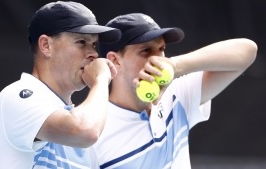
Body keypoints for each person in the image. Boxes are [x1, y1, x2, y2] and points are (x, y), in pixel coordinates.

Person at [88, 13, 257, 169]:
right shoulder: (93, 129)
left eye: (161, 49)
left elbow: (247, 50)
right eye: (146, 50)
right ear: (114, 61)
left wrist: (176, 65)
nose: (158, 59)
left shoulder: (176, 94)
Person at [0, 1, 121, 169]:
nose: (93, 53)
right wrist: (101, 79)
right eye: (81, 42)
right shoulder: (15, 96)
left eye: (94, 44)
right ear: (46, 45)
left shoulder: (79, 117)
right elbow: (86, 131)